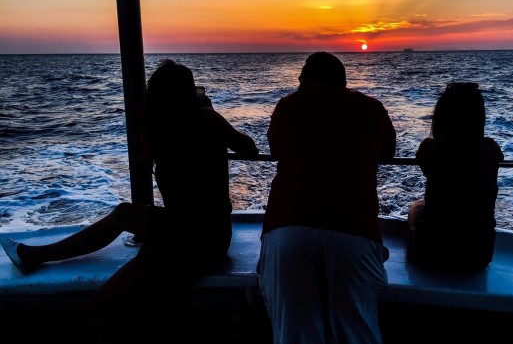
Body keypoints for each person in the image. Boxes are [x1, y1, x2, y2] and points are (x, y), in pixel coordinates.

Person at [0, 59, 259, 342]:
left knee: (98, 308)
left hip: (185, 243)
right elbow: (249, 148)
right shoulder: (208, 120)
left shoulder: (159, 131)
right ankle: (36, 255)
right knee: (124, 213)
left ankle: (37, 257)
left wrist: (147, 115)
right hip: (212, 233)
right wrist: (210, 116)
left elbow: (142, 158)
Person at [258, 51, 397, 344]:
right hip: (354, 230)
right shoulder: (372, 109)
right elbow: (388, 152)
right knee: (356, 332)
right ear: (343, 81)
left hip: (288, 227)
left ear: (305, 81)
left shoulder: (287, 106)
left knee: (295, 333)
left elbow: (276, 149)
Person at [407, 82, 504, 273]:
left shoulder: (430, 150)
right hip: (478, 257)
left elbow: (426, 164)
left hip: (432, 254)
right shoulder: (490, 151)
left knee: (416, 206)